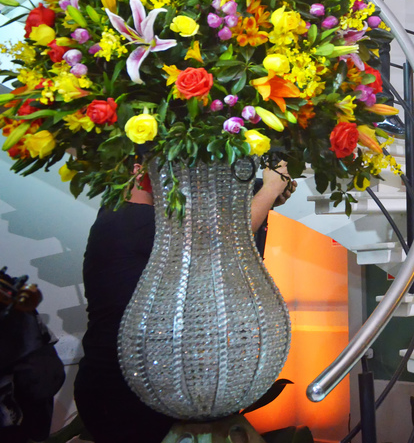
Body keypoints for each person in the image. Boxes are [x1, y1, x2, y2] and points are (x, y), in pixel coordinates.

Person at [73, 168, 295, 443]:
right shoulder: (137, 221)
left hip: (115, 385)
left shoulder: (116, 214)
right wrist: (269, 189)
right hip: (132, 393)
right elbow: (226, 245)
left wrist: (262, 192)